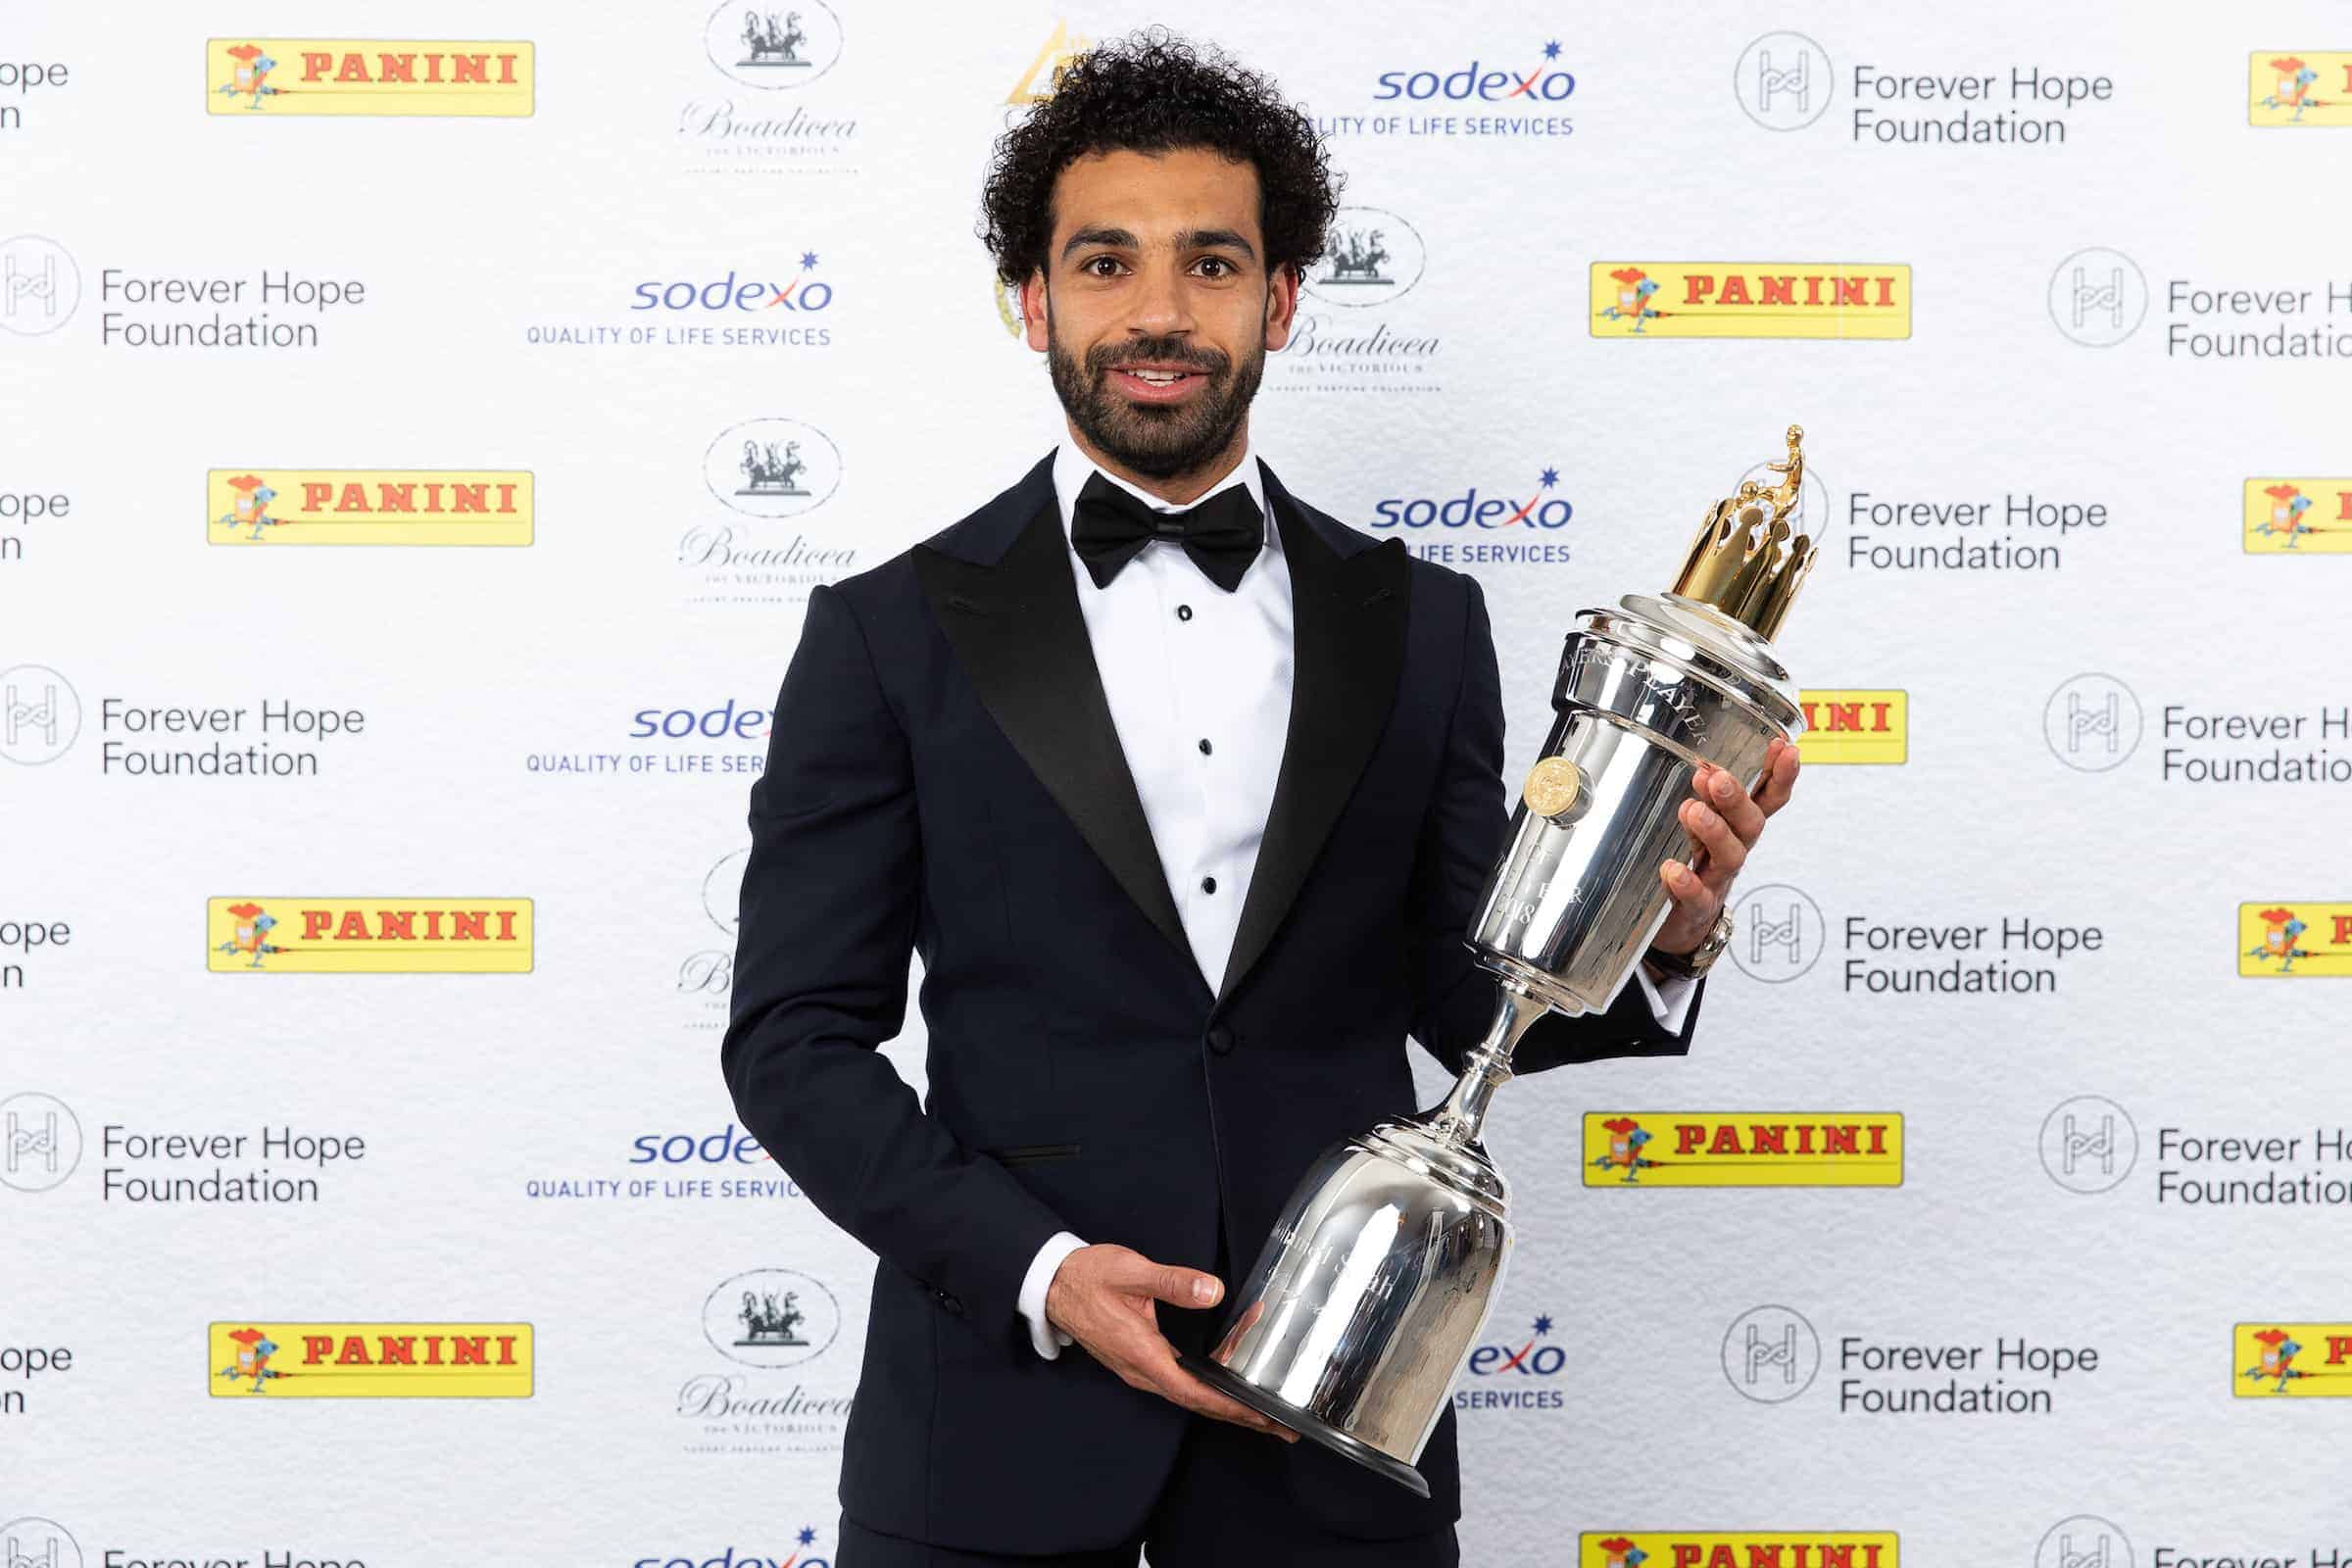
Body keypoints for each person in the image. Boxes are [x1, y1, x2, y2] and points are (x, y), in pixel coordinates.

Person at [721, 29, 1801, 1567]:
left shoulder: (1425, 621)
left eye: (1211, 263)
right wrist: (1037, 1273)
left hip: (1338, 1440)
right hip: (989, 1454)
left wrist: (1658, 934)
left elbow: (1458, 989)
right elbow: (792, 1042)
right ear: (1031, 298)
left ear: (1281, 297)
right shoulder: (886, 631)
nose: (1158, 312)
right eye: (1105, 263)